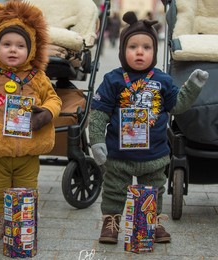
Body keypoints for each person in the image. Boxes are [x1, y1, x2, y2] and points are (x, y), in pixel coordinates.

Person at [88, 11, 209, 244]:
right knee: (114, 191)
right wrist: (96, 139)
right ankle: (111, 222)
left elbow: (177, 106)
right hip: (118, 155)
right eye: (133, 46)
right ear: (123, 50)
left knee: (153, 190)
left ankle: (151, 221)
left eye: (146, 47)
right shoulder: (113, 79)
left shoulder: (162, 80)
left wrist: (192, 87)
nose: (140, 52)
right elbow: (100, 113)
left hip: (154, 154)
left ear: (154, 51)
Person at [0, 0, 61, 241]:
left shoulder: (38, 78)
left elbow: (54, 99)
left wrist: (46, 112)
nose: (13, 50)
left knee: (26, 187)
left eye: (20, 45)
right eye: (6, 44)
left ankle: (22, 219)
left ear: (32, 49)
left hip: (28, 147)